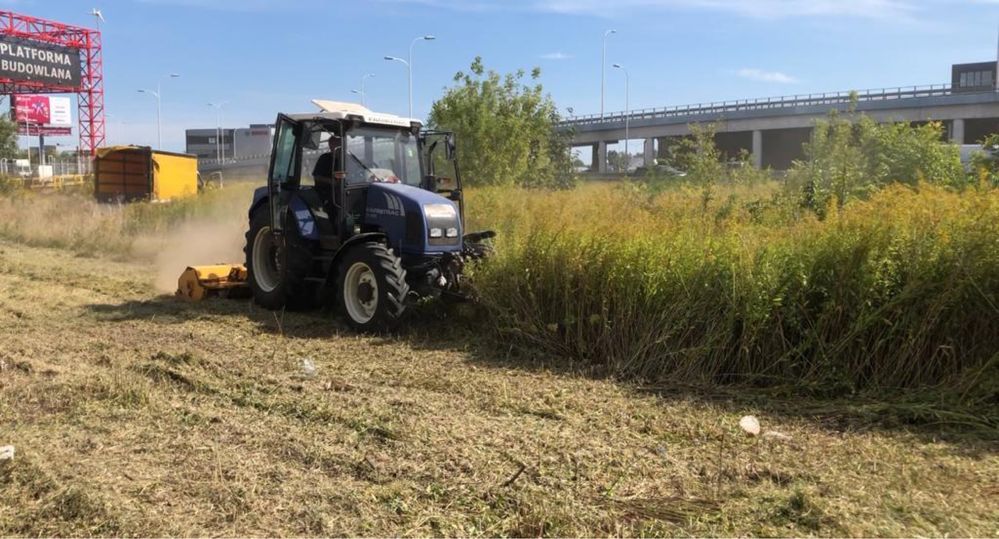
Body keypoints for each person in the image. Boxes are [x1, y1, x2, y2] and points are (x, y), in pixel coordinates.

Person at [312, 133, 343, 209]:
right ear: (331, 146)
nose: (338, 146)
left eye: (339, 143)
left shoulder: (346, 158)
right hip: (326, 193)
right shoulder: (324, 158)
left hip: (343, 191)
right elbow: (316, 176)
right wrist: (331, 181)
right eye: (334, 144)